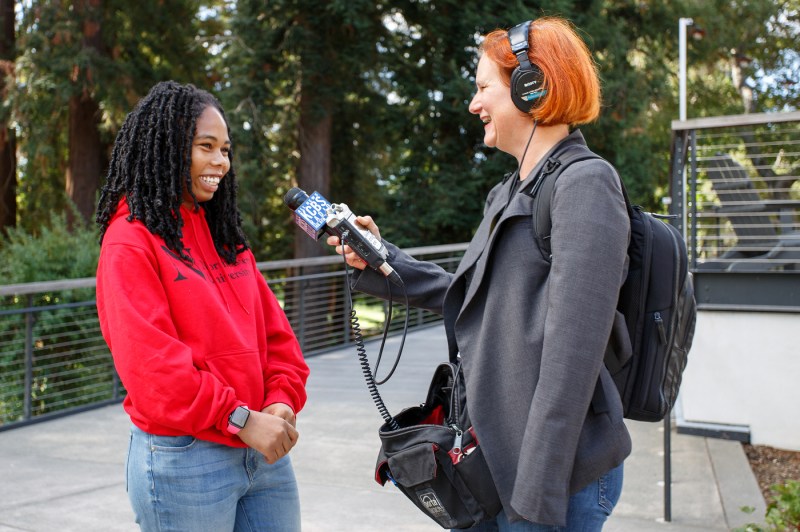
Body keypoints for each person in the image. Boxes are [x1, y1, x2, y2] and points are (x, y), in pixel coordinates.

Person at [328, 17, 632, 531]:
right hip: (499, 457)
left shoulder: (586, 184)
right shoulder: (510, 191)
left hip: (552, 472)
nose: (474, 104)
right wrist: (383, 260)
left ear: (531, 86)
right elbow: (470, 295)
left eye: (483, 87)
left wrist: (535, 495)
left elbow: (572, 354)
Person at [95, 81, 310, 531]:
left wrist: (281, 403)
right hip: (185, 460)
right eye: (205, 147)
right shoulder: (129, 242)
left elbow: (278, 340)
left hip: (261, 453)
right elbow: (153, 370)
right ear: (169, 148)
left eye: (225, 150)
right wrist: (239, 418)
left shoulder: (225, 239)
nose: (220, 162)